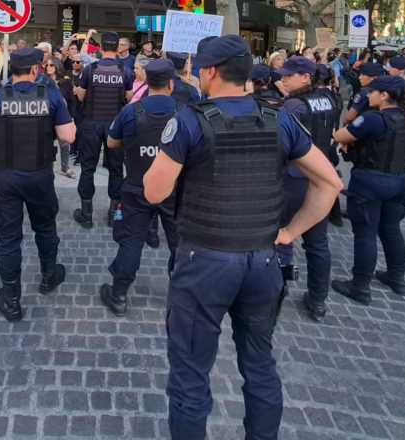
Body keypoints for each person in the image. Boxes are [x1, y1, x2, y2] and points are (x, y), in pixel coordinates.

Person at [144, 35, 341, 440]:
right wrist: (290, 232)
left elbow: (154, 192)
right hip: (264, 260)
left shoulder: (188, 120)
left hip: (204, 263)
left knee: (190, 375)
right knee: (260, 365)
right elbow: (329, 183)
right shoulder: (279, 118)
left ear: (211, 72)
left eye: (200, 69)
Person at [0, 47, 76, 322]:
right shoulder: (51, 96)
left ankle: (11, 298)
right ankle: (49, 276)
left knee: (9, 238)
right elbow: (68, 136)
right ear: (36, 70)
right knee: (46, 227)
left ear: (10, 70)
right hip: (39, 176)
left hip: (6, 178)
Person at [99, 59, 180, 317]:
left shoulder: (130, 111)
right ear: (171, 84)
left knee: (131, 242)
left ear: (146, 82)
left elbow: (112, 143)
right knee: (180, 244)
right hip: (175, 191)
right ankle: (182, 297)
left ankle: (119, 294)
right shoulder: (185, 112)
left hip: (137, 186)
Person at [331, 75, 405, 304]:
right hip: (399, 178)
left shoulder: (373, 118)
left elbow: (340, 135)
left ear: (385, 95)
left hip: (371, 180)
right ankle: (396, 277)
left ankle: (360, 286)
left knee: (365, 234)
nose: (369, 95)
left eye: (373, 92)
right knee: (391, 230)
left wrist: (347, 141)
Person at [275, 56, 337, 321]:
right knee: (317, 243)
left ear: (306, 77)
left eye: (290, 75)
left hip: (293, 177)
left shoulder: (293, 106)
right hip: (320, 177)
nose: (283, 79)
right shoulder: (329, 99)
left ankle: (279, 286)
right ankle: (318, 299)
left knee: (281, 237)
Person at [72, 31, 134, 228]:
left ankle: (86, 214)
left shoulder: (90, 69)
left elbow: (81, 97)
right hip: (115, 125)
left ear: (100, 48)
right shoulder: (125, 70)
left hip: (91, 124)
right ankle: (114, 216)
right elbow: (130, 97)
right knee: (116, 170)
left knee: (87, 168)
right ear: (117, 48)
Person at [45, 58, 77, 178]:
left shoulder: (65, 82)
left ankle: (65, 167)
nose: (48, 67)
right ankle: (47, 166)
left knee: (64, 143)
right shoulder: (42, 81)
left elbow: (72, 101)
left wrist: (71, 117)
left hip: (62, 117)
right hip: (47, 117)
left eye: (51, 64)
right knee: (47, 143)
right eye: (47, 65)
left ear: (57, 66)